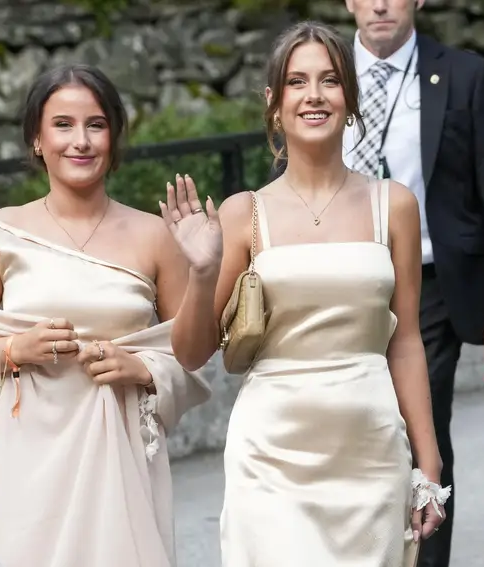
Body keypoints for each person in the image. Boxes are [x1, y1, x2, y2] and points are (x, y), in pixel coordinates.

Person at [162, 21, 450, 566]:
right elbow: (192, 352)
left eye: (330, 81)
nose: (314, 96)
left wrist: (428, 465)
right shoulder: (242, 212)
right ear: (274, 103)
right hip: (270, 455)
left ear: (351, 98)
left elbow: (406, 342)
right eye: (297, 82)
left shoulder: (396, 205)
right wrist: (202, 272)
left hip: (369, 450)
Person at [0, 64, 215, 567]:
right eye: (62, 125)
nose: (80, 141)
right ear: (37, 139)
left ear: (114, 137)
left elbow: (193, 353)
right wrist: (15, 348)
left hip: (117, 452)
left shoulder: (155, 235)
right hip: (21, 453)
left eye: (96, 125)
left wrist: (145, 365)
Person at [340, 2, 484, 565]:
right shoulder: (321, 71)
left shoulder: (462, 75)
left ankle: (424, 557)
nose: (379, 5)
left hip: (429, 285)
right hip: (342, 281)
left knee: (419, 423)